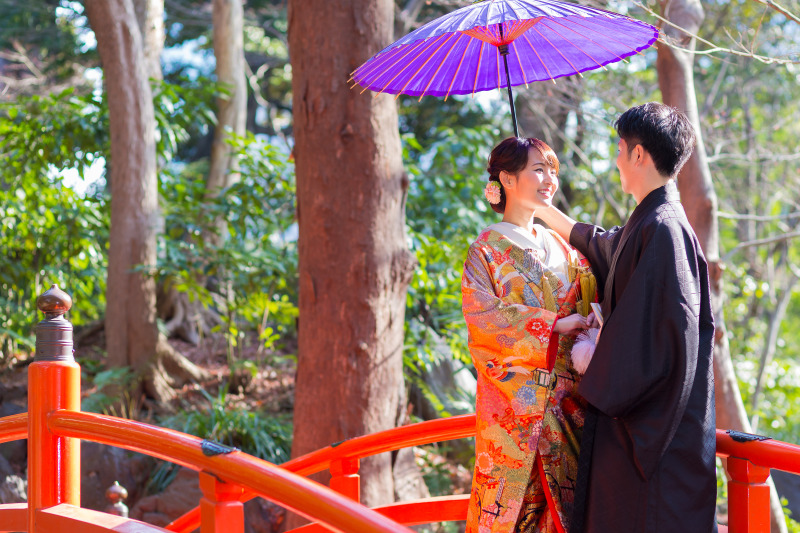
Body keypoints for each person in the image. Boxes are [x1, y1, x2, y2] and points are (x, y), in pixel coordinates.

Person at [537, 102, 717, 532]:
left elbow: (658, 339)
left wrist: (595, 355)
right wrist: (543, 212)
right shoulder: (653, 222)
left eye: (619, 147)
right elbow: (604, 246)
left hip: (655, 439)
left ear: (639, 154)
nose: (615, 158)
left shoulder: (663, 229)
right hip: (641, 431)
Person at [461, 137, 598, 533]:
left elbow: (593, 296)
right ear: (506, 178)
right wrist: (552, 323)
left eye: (553, 170)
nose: (549, 179)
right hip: (517, 405)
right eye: (538, 169)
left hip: (572, 404)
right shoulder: (486, 250)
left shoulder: (561, 244)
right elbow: (483, 318)